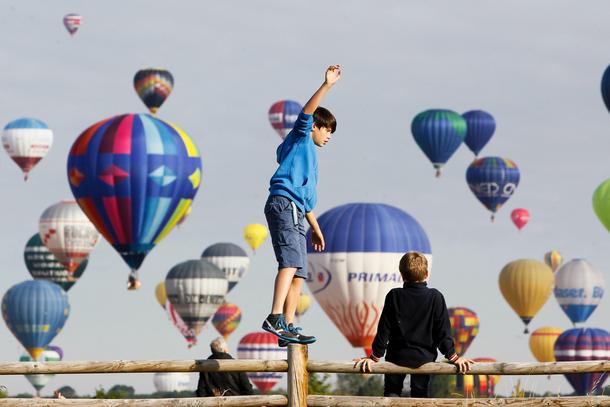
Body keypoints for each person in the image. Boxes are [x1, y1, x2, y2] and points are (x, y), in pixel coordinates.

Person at [262, 65, 342, 345]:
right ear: (315, 128)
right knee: (290, 262)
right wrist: (327, 86)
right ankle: (275, 317)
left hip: (297, 211)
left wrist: (316, 228)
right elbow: (306, 113)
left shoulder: (310, 162)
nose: (329, 135)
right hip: (284, 205)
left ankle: (289, 325)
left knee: (299, 273)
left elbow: (306, 201)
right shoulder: (300, 138)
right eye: (327, 129)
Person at [353, 252, 474, 398]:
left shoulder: (394, 296)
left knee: (392, 395)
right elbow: (443, 333)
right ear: (426, 274)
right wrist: (454, 357)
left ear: (401, 274)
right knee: (420, 397)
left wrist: (374, 357)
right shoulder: (435, 297)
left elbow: (384, 331)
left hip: (396, 358)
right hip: (424, 360)